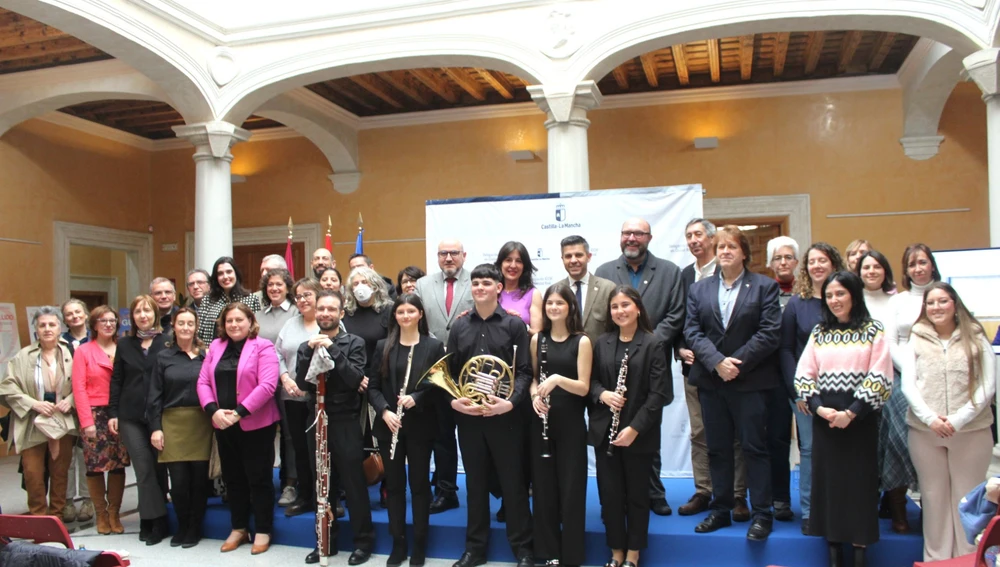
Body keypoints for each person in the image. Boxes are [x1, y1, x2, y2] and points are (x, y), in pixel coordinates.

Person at [684, 225, 781, 541]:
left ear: (744, 253)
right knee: (718, 449)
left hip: (750, 381)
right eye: (721, 247)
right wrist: (717, 362)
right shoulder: (699, 289)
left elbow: (769, 333)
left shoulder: (764, 287)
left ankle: (762, 513)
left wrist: (734, 364)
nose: (725, 251)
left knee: (754, 448)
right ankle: (721, 509)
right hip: (712, 382)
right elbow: (692, 331)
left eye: (732, 247)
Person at [794, 271, 892, 567]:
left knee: (859, 486)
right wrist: (819, 408)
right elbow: (804, 374)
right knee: (830, 487)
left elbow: (881, 376)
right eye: (829, 295)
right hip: (826, 423)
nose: (834, 300)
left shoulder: (873, 330)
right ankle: (834, 551)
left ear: (854, 295)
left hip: (860, 423)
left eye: (840, 294)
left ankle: (860, 552)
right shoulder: (820, 332)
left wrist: (852, 412)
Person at [595, 217, 684, 517]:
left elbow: (676, 314)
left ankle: (654, 493)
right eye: (626, 233)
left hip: (651, 363)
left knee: (647, 429)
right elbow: (603, 317)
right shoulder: (605, 271)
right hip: (613, 366)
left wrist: (646, 344)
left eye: (638, 233)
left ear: (649, 237)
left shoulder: (669, 271)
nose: (631, 238)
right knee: (617, 430)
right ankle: (620, 496)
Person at [447, 263, 533, 567]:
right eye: (476, 283)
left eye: (486, 283)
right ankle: (475, 549)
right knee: (475, 485)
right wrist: (454, 400)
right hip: (469, 417)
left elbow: (524, 372)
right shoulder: (459, 327)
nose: (480, 288)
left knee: (513, 483)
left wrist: (510, 402)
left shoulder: (514, 325)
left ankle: (523, 548)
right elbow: (451, 373)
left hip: (505, 417)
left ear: (499, 287)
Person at [901, 282, 995, 561]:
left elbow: (988, 384)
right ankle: (936, 560)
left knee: (967, 500)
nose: (936, 307)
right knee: (934, 500)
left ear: (955, 304)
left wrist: (959, 419)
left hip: (971, 431)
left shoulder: (975, 335)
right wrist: (930, 419)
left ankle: (968, 560)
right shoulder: (916, 337)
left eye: (942, 301)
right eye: (930, 303)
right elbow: (908, 385)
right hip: (925, 432)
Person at [674, 220, 749, 519]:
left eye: (698, 235)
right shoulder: (684, 275)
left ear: (712, 239)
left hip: (729, 368)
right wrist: (679, 348)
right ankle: (704, 490)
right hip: (695, 370)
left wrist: (719, 360)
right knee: (700, 432)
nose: (693, 240)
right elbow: (680, 319)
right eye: (688, 236)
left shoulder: (729, 270)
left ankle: (737, 494)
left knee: (735, 434)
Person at [590, 286, 668, 567]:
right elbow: (591, 382)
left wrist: (634, 429)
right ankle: (616, 553)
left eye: (625, 305)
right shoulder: (602, 342)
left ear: (637, 308)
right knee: (610, 497)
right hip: (606, 433)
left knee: (637, 496)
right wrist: (603, 394)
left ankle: (633, 554)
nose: (620, 311)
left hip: (638, 433)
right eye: (615, 307)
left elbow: (659, 394)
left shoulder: (653, 343)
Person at [296, 290, 374, 566]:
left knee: (353, 483)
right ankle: (325, 541)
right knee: (322, 484)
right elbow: (302, 384)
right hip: (316, 418)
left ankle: (363, 542)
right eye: (321, 309)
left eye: (331, 309)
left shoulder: (354, 342)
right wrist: (310, 351)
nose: (325, 313)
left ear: (341, 314)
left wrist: (332, 348)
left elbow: (355, 379)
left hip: (344, 420)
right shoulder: (306, 345)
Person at [197, 303, 280, 555]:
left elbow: (267, 385)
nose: (234, 324)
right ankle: (239, 528)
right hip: (223, 423)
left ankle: (263, 530)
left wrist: (238, 413)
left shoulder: (263, 346)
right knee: (232, 478)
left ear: (250, 321)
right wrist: (213, 410)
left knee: (259, 478)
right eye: (229, 320)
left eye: (239, 320)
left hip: (256, 424)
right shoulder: (215, 346)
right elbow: (203, 381)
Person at [368, 294, 445, 567]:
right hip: (390, 425)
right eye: (400, 312)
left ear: (420, 314)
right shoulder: (383, 346)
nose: (405, 316)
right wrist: (384, 411)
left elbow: (438, 386)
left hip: (420, 426)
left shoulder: (433, 346)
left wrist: (417, 397)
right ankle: (398, 544)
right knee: (395, 487)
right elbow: (373, 387)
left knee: (420, 486)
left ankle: (420, 546)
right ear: (395, 316)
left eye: (411, 311)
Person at [780, 242, 845, 535]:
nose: (817, 266)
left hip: (842, 391)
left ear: (834, 264)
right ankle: (810, 511)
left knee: (840, 450)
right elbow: (786, 350)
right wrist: (798, 391)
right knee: (809, 450)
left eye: (823, 260)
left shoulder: (844, 300)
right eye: (812, 261)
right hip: (806, 394)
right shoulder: (797, 303)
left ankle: (839, 508)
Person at [529, 283, 592, 567]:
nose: (553, 307)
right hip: (542, 420)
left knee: (571, 490)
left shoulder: (582, 341)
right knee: (543, 490)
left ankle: (572, 555)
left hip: (571, 424)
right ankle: (548, 552)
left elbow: (583, 387)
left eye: (560, 303)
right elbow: (533, 378)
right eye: (550, 303)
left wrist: (556, 379)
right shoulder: (537, 339)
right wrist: (534, 396)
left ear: (570, 307)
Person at [884, 243, 942, 532]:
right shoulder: (898, 301)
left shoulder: (944, 295)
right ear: (905, 271)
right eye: (912, 264)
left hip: (939, 380)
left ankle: (934, 513)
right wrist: (911, 371)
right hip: (902, 377)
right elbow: (891, 342)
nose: (918, 268)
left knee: (935, 445)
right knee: (899, 440)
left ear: (932, 265)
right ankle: (899, 511)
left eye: (923, 262)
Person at [0, 307, 78, 519]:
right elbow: (7, 387)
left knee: (60, 472)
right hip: (32, 422)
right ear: (36, 329)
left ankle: (56, 516)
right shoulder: (23, 356)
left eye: (52, 324)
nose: (47, 329)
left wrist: (70, 400)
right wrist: (33, 404)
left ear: (60, 328)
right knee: (33, 473)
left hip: (62, 422)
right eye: (42, 325)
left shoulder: (71, 353)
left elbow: (85, 383)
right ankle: (38, 518)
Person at [416, 239, 474, 514]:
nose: (448, 258)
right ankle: (446, 490)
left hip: (470, 370)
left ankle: (488, 491)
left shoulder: (477, 281)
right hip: (435, 371)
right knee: (442, 435)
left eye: (454, 253)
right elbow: (419, 323)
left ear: (464, 255)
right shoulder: (423, 285)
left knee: (474, 437)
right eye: (443, 253)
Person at [148, 308, 212, 548]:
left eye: (190, 323)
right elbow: (154, 395)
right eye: (181, 323)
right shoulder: (163, 357)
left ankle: (195, 528)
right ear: (173, 326)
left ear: (196, 327)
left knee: (199, 481)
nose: (186, 327)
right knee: (179, 481)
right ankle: (182, 525)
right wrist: (156, 428)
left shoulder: (206, 356)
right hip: (172, 423)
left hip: (201, 423)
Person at [109, 294, 171, 544]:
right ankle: (153, 519)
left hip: (161, 415)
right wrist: (113, 412)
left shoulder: (167, 342)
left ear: (155, 314)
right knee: (143, 468)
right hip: (130, 416)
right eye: (137, 312)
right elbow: (117, 379)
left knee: (159, 468)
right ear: (131, 317)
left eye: (147, 311)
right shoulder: (124, 344)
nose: (143, 316)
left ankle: (156, 518)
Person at [71, 306, 130, 535]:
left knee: (118, 464)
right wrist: (87, 422)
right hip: (94, 414)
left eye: (112, 320)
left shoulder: (123, 347)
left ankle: (114, 513)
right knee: (95, 466)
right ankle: (101, 515)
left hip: (120, 413)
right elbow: (79, 388)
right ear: (94, 324)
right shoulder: (83, 351)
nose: (108, 324)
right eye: (103, 320)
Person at [256, 267, 299, 507]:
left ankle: (289, 482)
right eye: (270, 285)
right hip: (262, 384)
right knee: (263, 433)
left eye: (279, 284)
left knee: (290, 434)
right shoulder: (258, 315)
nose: (274, 288)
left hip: (287, 382)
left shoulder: (295, 312)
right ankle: (262, 482)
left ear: (287, 287)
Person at [60, 298, 93, 524]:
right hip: (63, 407)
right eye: (69, 314)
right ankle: (67, 500)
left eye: (78, 312)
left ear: (86, 314)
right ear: (64, 319)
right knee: (67, 457)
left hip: (90, 404)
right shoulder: (59, 341)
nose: (74, 316)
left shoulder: (96, 339)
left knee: (86, 455)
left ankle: (89, 499)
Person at [558, 235, 615, 343]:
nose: (573, 260)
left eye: (578, 255)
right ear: (563, 259)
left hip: (599, 352)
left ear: (589, 257)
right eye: (568, 256)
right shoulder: (556, 291)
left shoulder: (607, 288)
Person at [197, 257, 262, 343]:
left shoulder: (251, 299)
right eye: (220, 273)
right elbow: (199, 331)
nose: (225, 276)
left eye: (229, 272)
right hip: (211, 349)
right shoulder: (207, 300)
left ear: (236, 274)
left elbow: (256, 330)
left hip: (243, 349)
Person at [495, 241, 543, 334]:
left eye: (518, 261)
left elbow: (537, 334)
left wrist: (520, 324)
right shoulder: (491, 291)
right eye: (508, 260)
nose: (513, 265)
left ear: (524, 266)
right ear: (500, 264)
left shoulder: (533, 294)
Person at [768, 236, 800, 309]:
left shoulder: (806, 289)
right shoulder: (766, 292)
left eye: (788, 257)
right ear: (771, 264)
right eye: (777, 258)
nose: (783, 262)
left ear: (796, 262)